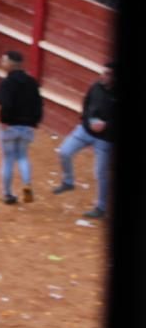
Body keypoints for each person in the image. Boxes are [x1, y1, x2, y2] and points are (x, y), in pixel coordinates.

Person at [53, 63, 113, 219]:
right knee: (64, 152)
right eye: (104, 73)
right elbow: (86, 104)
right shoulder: (96, 86)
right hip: (85, 130)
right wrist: (87, 120)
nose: (104, 76)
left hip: (106, 139)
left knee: (101, 173)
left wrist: (107, 125)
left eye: (108, 74)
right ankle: (68, 182)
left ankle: (101, 207)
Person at [0, 50, 42, 205]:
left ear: (10, 65)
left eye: (4, 61)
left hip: (10, 127)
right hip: (27, 127)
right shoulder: (32, 82)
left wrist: (4, 120)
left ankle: (8, 194)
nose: (2, 64)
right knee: (23, 157)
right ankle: (27, 184)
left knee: (8, 160)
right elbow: (38, 105)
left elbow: (5, 104)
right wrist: (34, 122)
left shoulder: (6, 83)